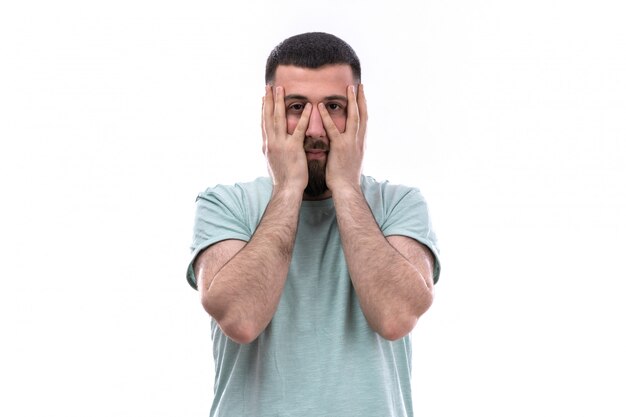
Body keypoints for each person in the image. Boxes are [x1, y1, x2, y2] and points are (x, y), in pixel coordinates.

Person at [186, 32, 441, 417]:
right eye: (296, 106)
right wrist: (289, 186)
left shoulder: (399, 205)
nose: (316, 129)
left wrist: (344, 184)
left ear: (359, 113)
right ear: (268, 113)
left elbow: (395, 317)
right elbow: (240, 318)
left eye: (334, 106)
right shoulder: (225, 204)